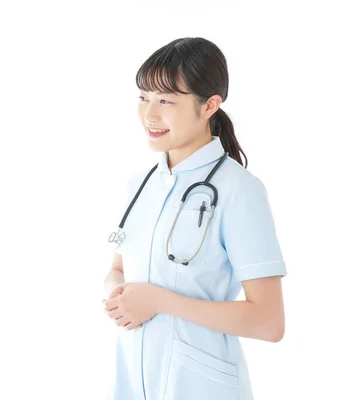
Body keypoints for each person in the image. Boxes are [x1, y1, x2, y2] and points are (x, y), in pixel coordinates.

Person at [102, 37, 287, 400]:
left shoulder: (240, 191)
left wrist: (158, 301)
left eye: (166, 101)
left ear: (210, 105)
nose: (150, 115)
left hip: (201, 386)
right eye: (144, 98)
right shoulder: (138, 185)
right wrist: (117, 297)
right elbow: (119, 271)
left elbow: (269, 322)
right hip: (132, 378)